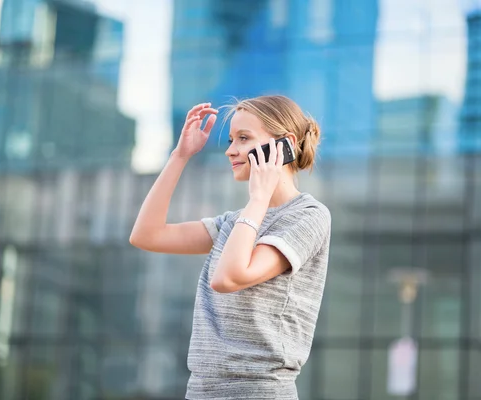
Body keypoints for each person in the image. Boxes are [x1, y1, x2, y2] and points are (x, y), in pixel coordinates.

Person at [130, 95, 332, 400]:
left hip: (259, 392)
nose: (230, 150)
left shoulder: (309, 216)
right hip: (201, 391)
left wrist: (258, 199)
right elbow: (146, 235)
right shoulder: (234, 223)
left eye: (244, 138)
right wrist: (180, 156)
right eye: (230, 139)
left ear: (283, 144)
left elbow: (229, 278)